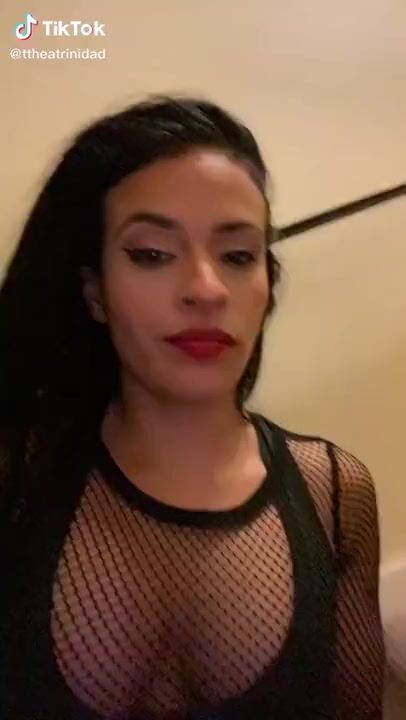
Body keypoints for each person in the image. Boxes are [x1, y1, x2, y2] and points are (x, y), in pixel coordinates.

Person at [0, 95, 384, 720]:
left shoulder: (334, 493)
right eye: (152, 254)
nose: (206, 289)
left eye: (238, 256)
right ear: (94, 293)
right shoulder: (16, 475)